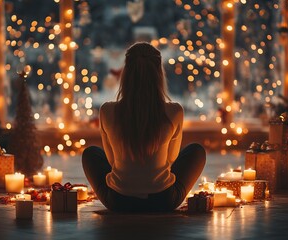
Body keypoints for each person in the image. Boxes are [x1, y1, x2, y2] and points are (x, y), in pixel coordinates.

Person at [82, 42, 206, 212]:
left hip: (119, 201)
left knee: (91, 154)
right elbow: (170, 159)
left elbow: (112, 161)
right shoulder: (174, 111)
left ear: (126, 73)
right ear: (158, 74)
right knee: (196, 151)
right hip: (163, 201)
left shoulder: (107, 110)